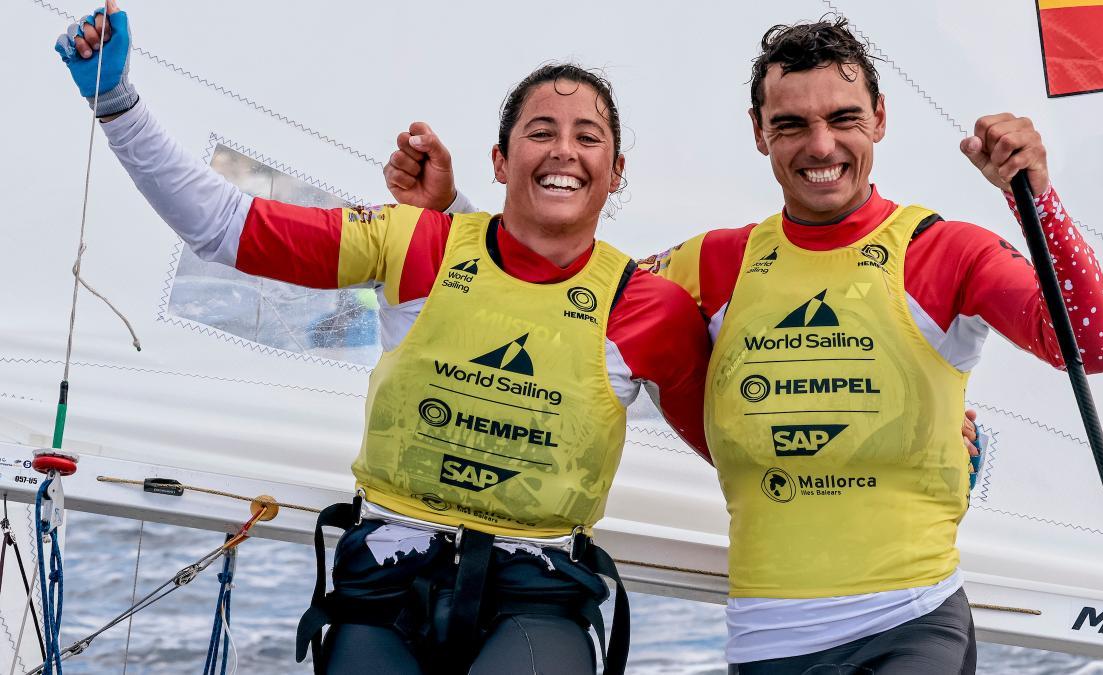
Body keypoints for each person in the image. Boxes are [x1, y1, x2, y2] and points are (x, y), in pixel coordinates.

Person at [388, 17, 1103, 675]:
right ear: (758, 130)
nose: (822, 145)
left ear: (881, 120)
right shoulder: (715, 262)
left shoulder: (944, 251)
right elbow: (562, 295)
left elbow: (1088, 343)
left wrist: (1034, 195)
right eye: (792, 123)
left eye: (844, 118)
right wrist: (455, 216)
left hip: (912, 622)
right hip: (770, 640)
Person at [54, 4, 714, 674]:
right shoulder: (413, 242)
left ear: (617, 168)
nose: (563, 151)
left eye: (588, 137)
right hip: (387, 578)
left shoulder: (649, 307)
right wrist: (117, 102)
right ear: (500, 157)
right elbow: (223, 225)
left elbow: (742, 450)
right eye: (540, 131)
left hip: (539, 591)